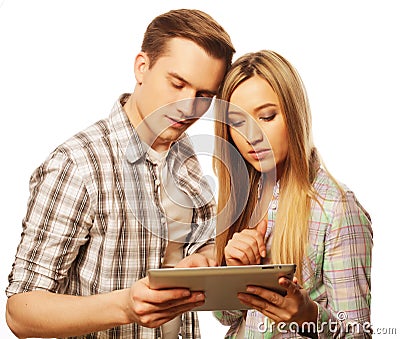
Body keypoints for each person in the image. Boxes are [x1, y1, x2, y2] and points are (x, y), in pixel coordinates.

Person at [5, 9, 235, 339]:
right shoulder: (77, 164)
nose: (188, 107)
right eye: (177, 83)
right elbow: (20, 311)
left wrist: (204, 260)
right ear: (142, 67)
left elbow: (202, 245)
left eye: (203, 96)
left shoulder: (184, 153)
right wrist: (125, 306)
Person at [212, 50, 372, 338]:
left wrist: (307, 315)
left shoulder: (335, 208)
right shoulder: (242, 197)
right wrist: (235, 270)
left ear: (295, 115)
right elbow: (226, 318)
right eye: (237, 123)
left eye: (267, 116)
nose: (251, 135)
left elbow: (358, 334)